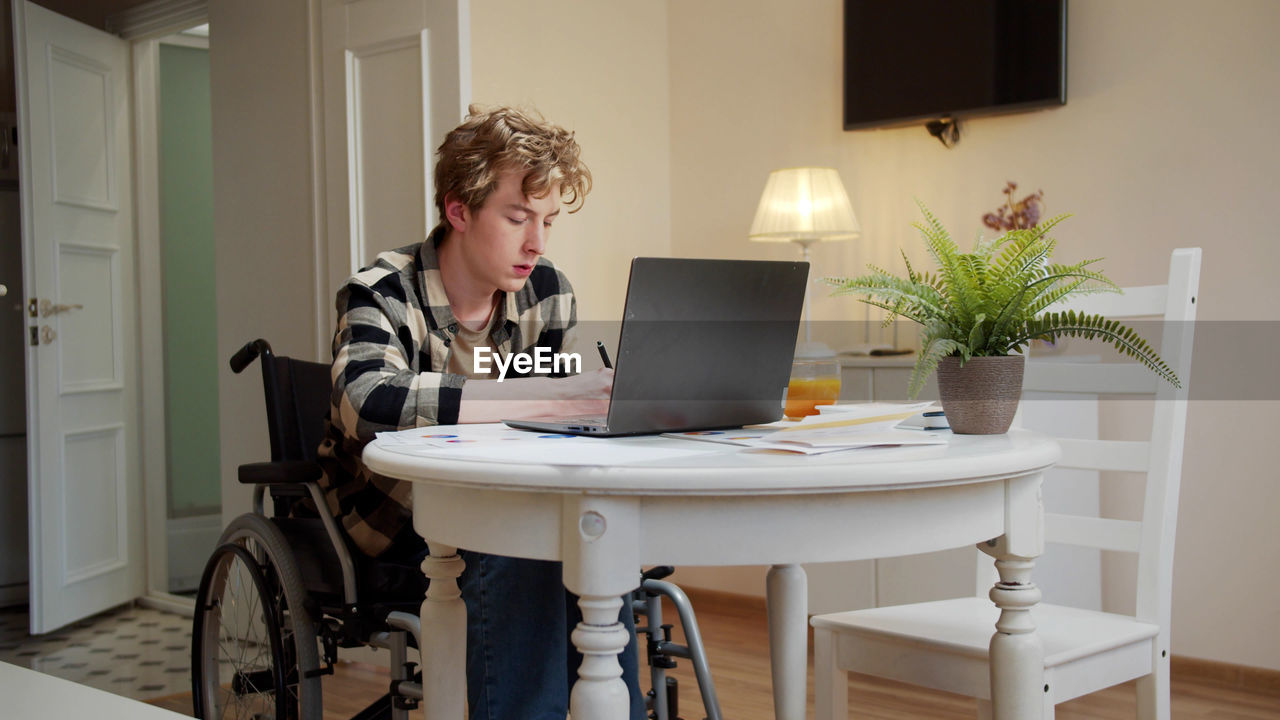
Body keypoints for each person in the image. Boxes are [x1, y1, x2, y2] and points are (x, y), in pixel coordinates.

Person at [316, 105, 645, 720]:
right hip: (396, 519)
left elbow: (564, 410)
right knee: (522, 543)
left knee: (590, 539)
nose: (536, 242)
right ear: (458, 210)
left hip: (510, 500)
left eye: (547, 221)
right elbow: (367, 402)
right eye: (517, 217)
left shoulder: (546, 290)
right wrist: (545, 394)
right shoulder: (381, 293)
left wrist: (602, 395)